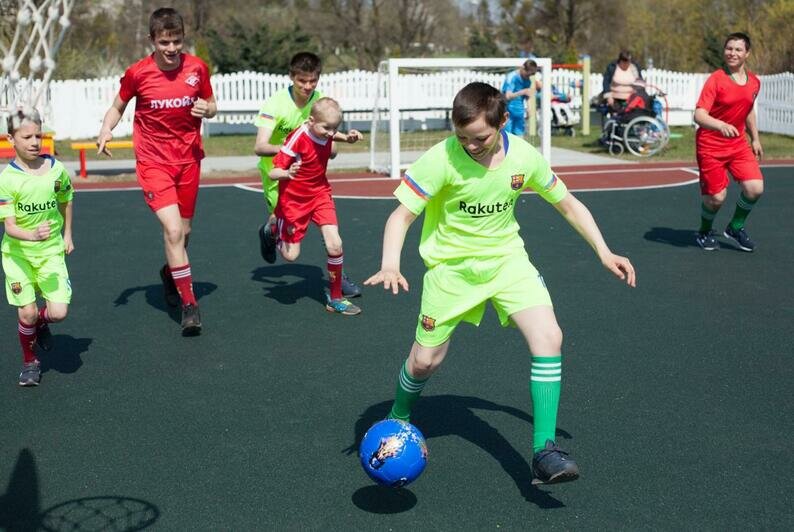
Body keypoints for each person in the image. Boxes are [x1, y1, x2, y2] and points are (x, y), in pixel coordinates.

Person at [364, 82, 636, 484]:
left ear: (503, 122)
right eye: (462, 138)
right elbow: (400, 216)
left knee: (549, 336)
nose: (471, 146)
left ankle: (545, 451)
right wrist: (390, 263)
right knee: (425, 361)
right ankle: (399, 415)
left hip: (508, 263)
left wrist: (604, 250)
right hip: (451, 271)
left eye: (480, 138)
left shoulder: (525, 157)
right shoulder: (440, 159)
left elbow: (568, 204)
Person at [96, 8, 216, 335]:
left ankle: (169, 272)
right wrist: (106, 129)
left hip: (189, 160)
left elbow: (211, 102)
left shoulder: (197, 68)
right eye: (165, 41)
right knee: (174, 231)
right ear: (152, 40)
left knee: (184, 233)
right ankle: (190, 305)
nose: (172, 47)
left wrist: (209, 109)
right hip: (153, 162)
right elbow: (117, 106)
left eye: (177, 40)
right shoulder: (138, 73)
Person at [254, 52, 361, 298]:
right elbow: (260, 146)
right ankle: (270, 230)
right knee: (288, 245)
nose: (308, 86)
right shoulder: (275, 104)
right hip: (280, 176)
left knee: (333, 239)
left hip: (313, 181)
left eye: (313, 81)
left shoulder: (322, 101)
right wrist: (295, 148)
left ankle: (338, 278)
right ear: (292, 77)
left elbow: (332, 149)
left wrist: (335, 141)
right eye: (302, 81)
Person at [268, 97, 363, 315]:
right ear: (311, 121)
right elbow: (274, 171)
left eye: (335, 128)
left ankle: (336, 298)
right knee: (291, 256)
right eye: (326, 128)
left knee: (335, 245)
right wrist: (286, 173)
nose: (331, 133)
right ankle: (274, 229)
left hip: (320, 194)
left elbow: (331, 135)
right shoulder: (298, 138)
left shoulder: (326, 131)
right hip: (293, 201)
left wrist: (347, 138)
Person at [0, 108, 74, 386]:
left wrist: (67, 234)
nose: (34, 142)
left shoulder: (56, 170)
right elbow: (9, 227)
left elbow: (66, 200)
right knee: (26, 312)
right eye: (27, 136)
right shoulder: (7, 179)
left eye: (38, 135)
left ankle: (41, 323)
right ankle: (29, 361)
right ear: (11, 139)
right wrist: (30, 234)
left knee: (59, 313)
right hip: (18, 255)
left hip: (51, 252)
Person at [693, 32, 763, 252]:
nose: (732, 53)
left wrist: (755, 139)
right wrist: (719, 125)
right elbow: (699, 115)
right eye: (729, 48)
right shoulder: (716, 79)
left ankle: (735, 227)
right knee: (716, 198)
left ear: (747, 54)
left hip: (738, 145)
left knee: (755, 188)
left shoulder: (754, 82)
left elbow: (748, 109)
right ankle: (704, 231)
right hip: (710, 146)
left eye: (738, 49)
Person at [501, 59, 537, 136]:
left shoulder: (528, 80)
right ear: (523, 68)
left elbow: (527, 95)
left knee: (520, 137)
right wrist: (523, 91)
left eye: (530, 75)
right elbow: (507, 96)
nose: (528, 77)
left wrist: (528, 108)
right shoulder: (512, 77)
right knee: (507, 137)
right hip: (507, 111)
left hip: (519, 111)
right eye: (527, 75)